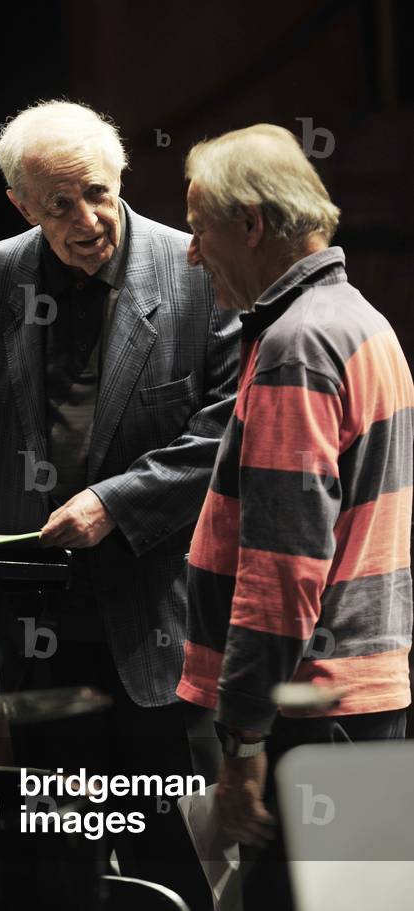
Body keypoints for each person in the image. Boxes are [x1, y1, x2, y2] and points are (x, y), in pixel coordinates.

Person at [0, 100, 240, 906]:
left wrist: (114, 504)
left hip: (164, 621)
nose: (85, 219)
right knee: (59, 861)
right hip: (41, 625)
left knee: (178, 858)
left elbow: (227, 429)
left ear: (121, 176)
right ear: (21, 204)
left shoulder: (196, 268)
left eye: (95, 192)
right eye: (58, 205)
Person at [176, 123, 414, 906]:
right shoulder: (361, 321)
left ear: (249, 224)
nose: (187, 251)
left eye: (197, 226)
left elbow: (282, 565)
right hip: (357, 695)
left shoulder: (296, 345)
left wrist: (242, 736)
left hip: (307, 704)